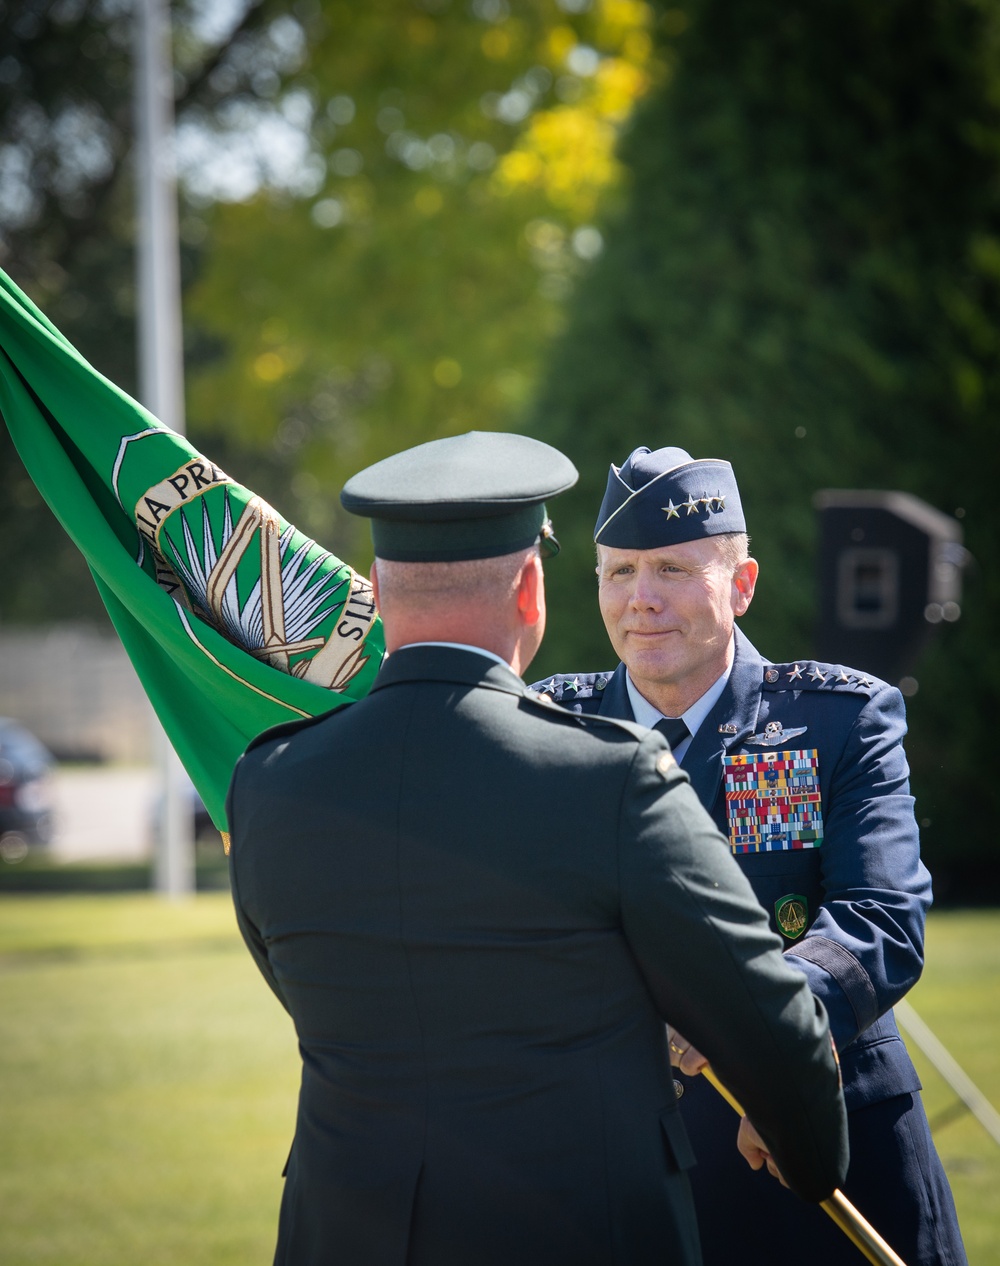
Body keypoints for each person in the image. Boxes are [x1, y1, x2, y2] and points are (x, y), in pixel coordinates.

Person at [226, 431, 848, 1266]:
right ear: (530, 588)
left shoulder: (270, 780)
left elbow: (303, 991)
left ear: (375, 591)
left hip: (345, 1229)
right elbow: (771, 1020)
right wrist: (812, 1166)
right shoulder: (609, 774)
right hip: (576, 1227)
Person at [533, 444, 967, 1266]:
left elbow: (882, 921)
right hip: (620, 1166)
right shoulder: (554, 732)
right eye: (618, 572)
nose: (641, 600)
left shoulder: (840, 719)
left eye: (671, 568)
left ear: (743, 584)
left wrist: (758, 1036)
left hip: (815, 1149)